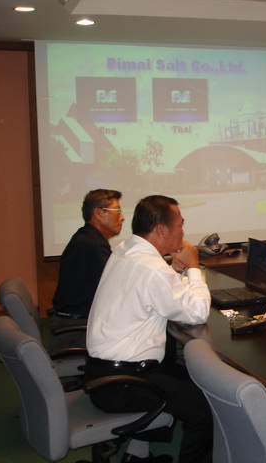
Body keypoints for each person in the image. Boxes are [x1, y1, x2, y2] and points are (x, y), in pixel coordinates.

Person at [85, 195, 212, 463]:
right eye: (181, 224)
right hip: (122, 385)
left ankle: (136, 454)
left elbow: (154, 293)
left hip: (104, 373)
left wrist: (175, 271)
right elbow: (197, 312)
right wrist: (193, 267)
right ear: (161, 230)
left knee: (199, 379)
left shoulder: (126, 248)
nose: (183, 231)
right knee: (204, 408)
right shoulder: (151, 268)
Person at [50, 189, 124, 350]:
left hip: (78, 323)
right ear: (98, 214)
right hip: (76, 332)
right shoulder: (90, 244)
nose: (122, 217)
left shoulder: (88, 238)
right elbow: (119, 284)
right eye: (117, 211)